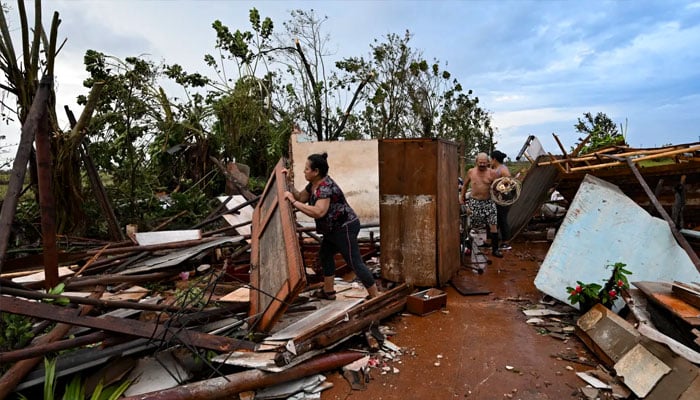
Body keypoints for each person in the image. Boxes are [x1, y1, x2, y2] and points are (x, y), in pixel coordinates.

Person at [284, 152, 380, 299]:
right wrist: (288, 184)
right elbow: (301, 197)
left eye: (307, 169)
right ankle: (328, 291)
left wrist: (293, 202)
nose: (304, 171)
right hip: (332, 229)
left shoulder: (325, 187)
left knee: (354, 262)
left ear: (316, 172)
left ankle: (375, 296)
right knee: (325, 254)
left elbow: (318, 211)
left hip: (344, 227)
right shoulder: (313, 185)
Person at [459, 153, 503, 258]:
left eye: (484, 162)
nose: (482, 164)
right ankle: (467, 247)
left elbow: (498, 187)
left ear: (488, 162)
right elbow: (465, 185)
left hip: (489, 202)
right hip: (474, 202)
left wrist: (499, 192)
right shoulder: (471, 172)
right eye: (480, 163)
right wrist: (462, 197)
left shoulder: (492, 173)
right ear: (476, 162)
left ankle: (495, 250)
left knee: (493, 224)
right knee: (470, 226)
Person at [491, 150, 512, 250]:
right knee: (497, 219)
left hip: (504, 197)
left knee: (502, 219)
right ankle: (495, 240)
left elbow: (509, 182)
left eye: (491, 159)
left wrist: (499, 190)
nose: (490, 161)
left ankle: (506, 242)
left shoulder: (503, 169)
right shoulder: (496, 168)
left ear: (494, 159)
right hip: (498, 198)